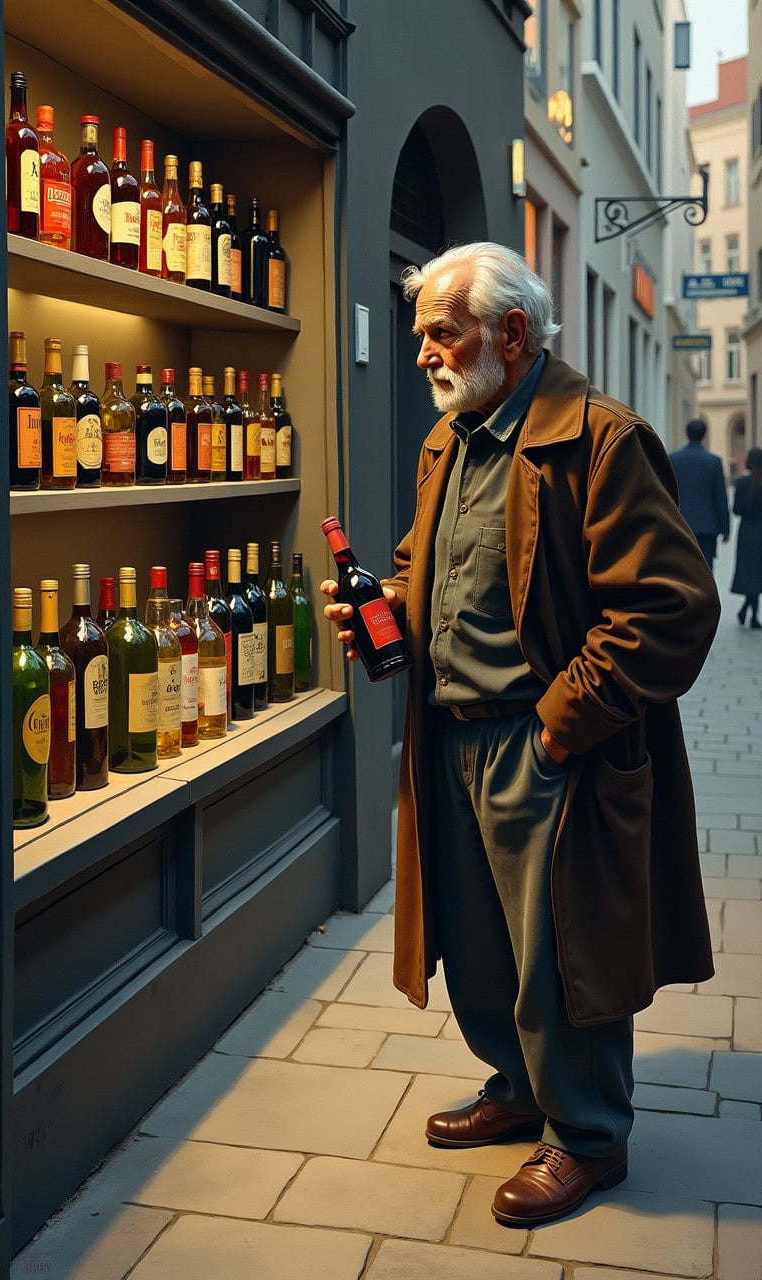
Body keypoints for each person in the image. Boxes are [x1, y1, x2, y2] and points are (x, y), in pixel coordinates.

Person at [322, 242, 719, 1228]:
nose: (423, 355)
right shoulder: (449, 440)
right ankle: (517, 1083)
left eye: (439, 333)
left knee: (561, 950)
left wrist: (555, 730)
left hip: (547, 745)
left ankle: (588, 1135)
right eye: (417, 338)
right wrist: (386, 605)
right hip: (450, 734)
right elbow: (429, 566)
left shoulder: (601, 439)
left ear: (511, 333)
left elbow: (669, 608)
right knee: (484, 939)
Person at [668, 417, 730, 570]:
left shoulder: (673, 459)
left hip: (680, 523)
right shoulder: (714, 461)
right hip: (707, 526)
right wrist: (725, 528)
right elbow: (720, 497)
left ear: (686, 434)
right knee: (705, 568)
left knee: (682, 568)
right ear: (704, 435)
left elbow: (667, 492)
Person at [730, 446, 762, 629]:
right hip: (760, 530)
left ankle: (746, 610)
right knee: (758, 573)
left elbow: (736, 510)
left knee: (750, 573)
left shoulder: (742, 483)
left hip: (746, 531)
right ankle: (752, 616)